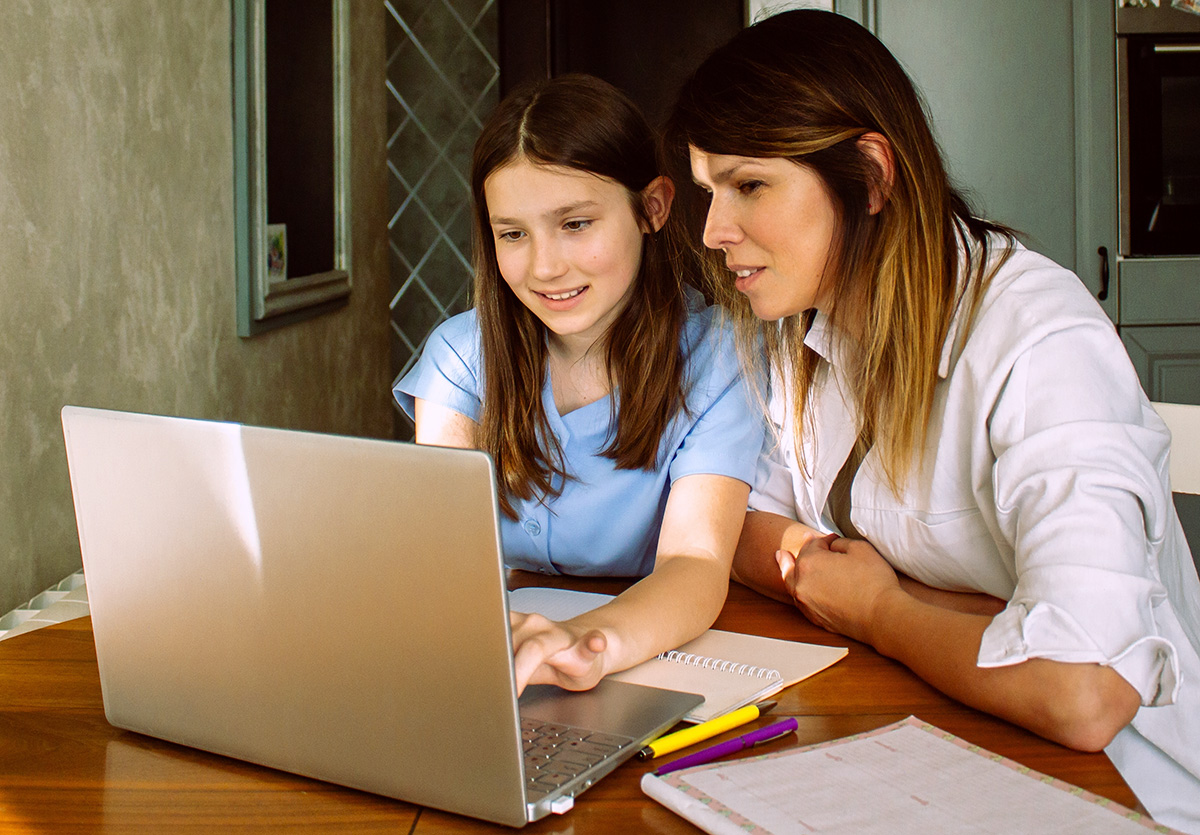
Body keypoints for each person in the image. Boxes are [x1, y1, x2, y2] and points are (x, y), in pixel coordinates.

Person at [666, 10, 1200, 833]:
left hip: (1120, 787)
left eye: (750, 185)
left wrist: (883, 607)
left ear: (870, 175)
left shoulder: (1040, 340)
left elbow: (1083, 690)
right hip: (934, 739)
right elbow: (740, 520)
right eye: (709, 191)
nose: (713, 232)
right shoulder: (795, 327)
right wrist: (931, 610)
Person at [394, 74, 762, 699]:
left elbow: (694, 564)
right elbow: (446, 560)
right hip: (495, 666)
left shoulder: (722, 355)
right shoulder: (460, 355)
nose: (544, 267)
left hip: (642, 659)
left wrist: (584, 644)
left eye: (575, 224)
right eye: (513, 233)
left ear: (653, 208)